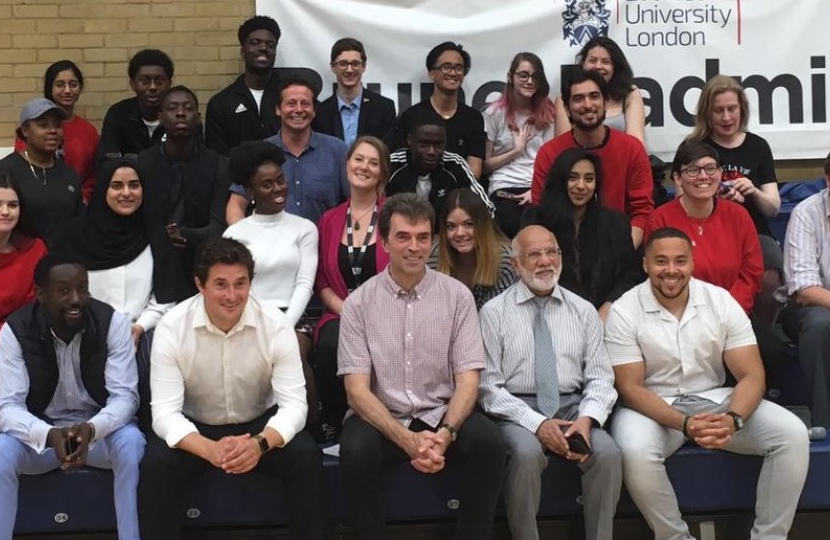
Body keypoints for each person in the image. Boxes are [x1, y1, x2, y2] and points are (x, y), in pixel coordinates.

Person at [605, 227, 809, 540]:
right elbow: (630, 388)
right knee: (634, 450)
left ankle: (769, 536)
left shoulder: (720, 301)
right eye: (660, 261)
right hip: (653, 407)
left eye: (679, 261)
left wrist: (733, 418)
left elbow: (752, 374)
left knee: (792, 434)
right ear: (645, 264)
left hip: (717, 400)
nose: (671, 270)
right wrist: (684, 424)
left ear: (692, 262)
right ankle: (675, 536)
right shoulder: (623, 310)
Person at [338, 193, 506, 539]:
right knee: (355, 449)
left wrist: (445, 434)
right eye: (403, 237)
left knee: (490, 443)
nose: (414, 247)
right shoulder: (358, 304)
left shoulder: (457, 296)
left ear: (433, 240)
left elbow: (469, 380)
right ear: (383, 241)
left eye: (423, 237)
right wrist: (408, 441)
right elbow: (356, 392)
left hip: (441, 411)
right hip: (383, 415)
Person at [138, 237, 325, 540]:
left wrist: (259, 444)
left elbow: (295, 406)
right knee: (156, 464)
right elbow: (164, 414)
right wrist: (209, 449)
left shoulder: (275, 324)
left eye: (241, 283)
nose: (232, 295)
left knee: (305, 455)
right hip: (195, 427)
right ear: (200, 285)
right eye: (221, 284)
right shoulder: (172, 327)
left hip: (259, 425)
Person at [479, 225, 621, 540]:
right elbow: (488, 388)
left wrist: (587, 419)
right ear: (515, 265)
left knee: (607, 454)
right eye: (534, 255)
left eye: (551, 252)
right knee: (526, 453)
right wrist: (538, 423)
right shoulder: (493, 313)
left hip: (572, 405)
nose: (545, 261)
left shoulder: (583, 310)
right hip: (516, 408)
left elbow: (601, 377)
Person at [0, 252, 144, 540]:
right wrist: (50, 434)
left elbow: (126, 397)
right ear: (40, 293)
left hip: (99, 434)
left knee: (131, 444)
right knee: (1, 452)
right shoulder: (16, 331)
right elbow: (7, 407)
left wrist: (92, 429)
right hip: (41, 439)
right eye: (64, 291)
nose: (77, 299)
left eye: (82, 288)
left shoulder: (111, 323)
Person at [51, 158, 192, 346]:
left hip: (143, 333)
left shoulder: (154, 235)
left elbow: (166, 296)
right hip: (83, 335)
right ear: (103, 190)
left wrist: (140, 327)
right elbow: (61, 296)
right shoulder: (73, 238)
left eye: (134, 185)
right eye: (116, 186)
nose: (126, 193)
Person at [686, 75, 783, 334]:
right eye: (719, 110)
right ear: (708, 113)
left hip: (754, 231)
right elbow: (679, 203)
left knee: (772, 274)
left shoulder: (758, 146)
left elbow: (773, 207)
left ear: (742, 110)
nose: (727, 117)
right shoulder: (694, 147)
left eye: (732, 109)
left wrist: (753, 192)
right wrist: (711, 196)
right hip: (706, 231)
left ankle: (757, 336)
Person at [314, 136, 391, 438]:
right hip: (340, 313)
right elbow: (321, 279)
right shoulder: (329, 219)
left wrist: (369, 315)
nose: (364, 167)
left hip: (389, 311)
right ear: (347, 165)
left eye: (373, 162)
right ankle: (333, 422)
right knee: (331, 342)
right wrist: (349, 311)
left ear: (382, 173)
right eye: (358, 159)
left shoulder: (393, 215)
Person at [531, 70, 652, 249]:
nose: (588, 105)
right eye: (578, 98)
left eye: (594, 96)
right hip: (564, 253)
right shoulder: (549, 153)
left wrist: (622, 252)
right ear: (566, 108)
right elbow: (541, 212)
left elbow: (641, 212)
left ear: (605, 103)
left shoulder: (632, 149)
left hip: (619, 248)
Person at [644, 141, 762, 313]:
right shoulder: (660, 219)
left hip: (732, 313)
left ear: (720, 173)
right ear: (678, 178)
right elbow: (660, 275)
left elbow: (751, 273)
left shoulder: (739, 216)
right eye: (693, 170)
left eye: (710, 168)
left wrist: (727, 311)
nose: (703, 176)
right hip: (678, 316)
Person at [526, 148, 642, 320]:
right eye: (573, 177)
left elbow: (631, 275)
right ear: (560, 180)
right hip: (551, 316)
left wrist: (608, 307)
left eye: (589, 179)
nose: (581, 186)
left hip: (606, 317)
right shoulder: (536, 219)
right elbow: (529, 273)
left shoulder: (615, 223)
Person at [225, 78, 349, 226]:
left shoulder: (337, 150)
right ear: (278, 109)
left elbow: (358, 202)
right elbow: (235, 205)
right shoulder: (259, 153)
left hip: (324, 246)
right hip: (271, 246)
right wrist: (246, 240)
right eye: (291, 103)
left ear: (314, 111)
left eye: (305, 104)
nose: (298, 109)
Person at [139, 86, 230, 275]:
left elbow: (219, 225)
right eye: (172, 108)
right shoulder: (143, 163)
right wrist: (162, 235)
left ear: (197, 118)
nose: (181, 113)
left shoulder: (219, 164)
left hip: (204, 259)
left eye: (188, 109)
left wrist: (184, 234)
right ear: (161, 117)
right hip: (150, 258)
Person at [778, 151, 830, 428]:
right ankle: (825, 423)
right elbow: (805, 289)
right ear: (827, 178)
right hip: (810, 308)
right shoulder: (807, 213)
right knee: (821, 324)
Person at [483, 52, 556, 237]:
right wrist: (516, 151)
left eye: (535, 76)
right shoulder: (494, 114)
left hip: (537, 187)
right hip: (504, 187)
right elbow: (484, 166)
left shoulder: (548, 114)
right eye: (523, 75)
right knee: (510, 224)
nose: (529, 81)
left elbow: (551, 163)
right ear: (510, 77)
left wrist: (536, 190)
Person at [393, 42, 486, 177]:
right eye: (446, 67)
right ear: (432, 74)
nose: (453, 73)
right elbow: (401, 164)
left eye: (459, 68)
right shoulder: (412, 116)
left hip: (460, 191)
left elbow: (474, 170)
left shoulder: (473, 118)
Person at [0, 98, 82, 245]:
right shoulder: (6, 170)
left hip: (64, 261)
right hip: (22, 261)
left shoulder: (70, 176)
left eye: (57, 126)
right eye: (43, 125)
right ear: (25, 130)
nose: (52, 131)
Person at [14, 60, 99, 202]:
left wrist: (83, 196)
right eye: (60, 85)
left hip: (78, 202)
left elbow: (95, 172)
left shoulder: (88, 130)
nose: (67, 90)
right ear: (50, 88)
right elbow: (21, 167)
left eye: (73, 84)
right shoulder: (32, 127)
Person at [387, 120, 493, 226]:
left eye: (438, 145)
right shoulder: (391, 164)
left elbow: (486, 208)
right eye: (424, 144)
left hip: (443, 236)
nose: (431, 152)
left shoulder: (455, 164)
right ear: (410, 140)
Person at [205, 15, 283, 157]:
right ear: (243, 51)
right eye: (255, 42)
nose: (263, 48)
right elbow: (217, 159)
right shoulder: (221, 103)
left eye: (270, 45)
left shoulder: (289, 97)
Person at [427, 188, 515, 310]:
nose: (460, 233)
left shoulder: (505, 260)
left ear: (482, 225)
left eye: (469, 224)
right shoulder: (433, 256)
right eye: (451, 226)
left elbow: (499, 316)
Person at [554, 36, 645, 144]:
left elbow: (636, 143)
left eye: (606, 62)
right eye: (592, 61)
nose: (598, 66)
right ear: (583, 63)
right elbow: (563, 146)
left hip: (622, 159)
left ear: (615, 67)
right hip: (578, 160)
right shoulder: (564, 96)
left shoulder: (630, 93)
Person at [313, 38, 397, 147]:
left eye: (355, 63)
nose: (349, 70)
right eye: (343, 64)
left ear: (364, 67)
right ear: (333, 67)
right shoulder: (320, 112)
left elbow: (387, 153)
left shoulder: (384, 108)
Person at [98, 49, 174, 160]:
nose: (152, 87)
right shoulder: (118, 114)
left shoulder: (181, 116)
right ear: (133, 84)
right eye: (145, 81)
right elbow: (106, 163)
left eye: (159, 81)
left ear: (169, 84)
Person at [0, 174, 48, 326]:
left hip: (18, 339)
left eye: (13, 205)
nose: (5, 212)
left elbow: (34, 310)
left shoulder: (36, 251)